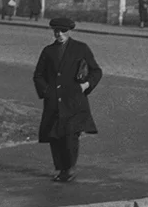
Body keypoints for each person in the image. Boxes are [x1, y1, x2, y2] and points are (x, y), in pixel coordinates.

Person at [32, 18, 102, 182]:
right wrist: (47, 91)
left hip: (74, 101)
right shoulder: (48, 51)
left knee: (70, 135)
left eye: (63, 31)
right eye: (56, 31)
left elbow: (96, 71)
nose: (59, 34)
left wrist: (86, 85)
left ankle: (69, 169)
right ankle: (61, 168)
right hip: (54, 102)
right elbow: (38, 75)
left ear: (69, 32)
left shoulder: (80, 48)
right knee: (55, 136)